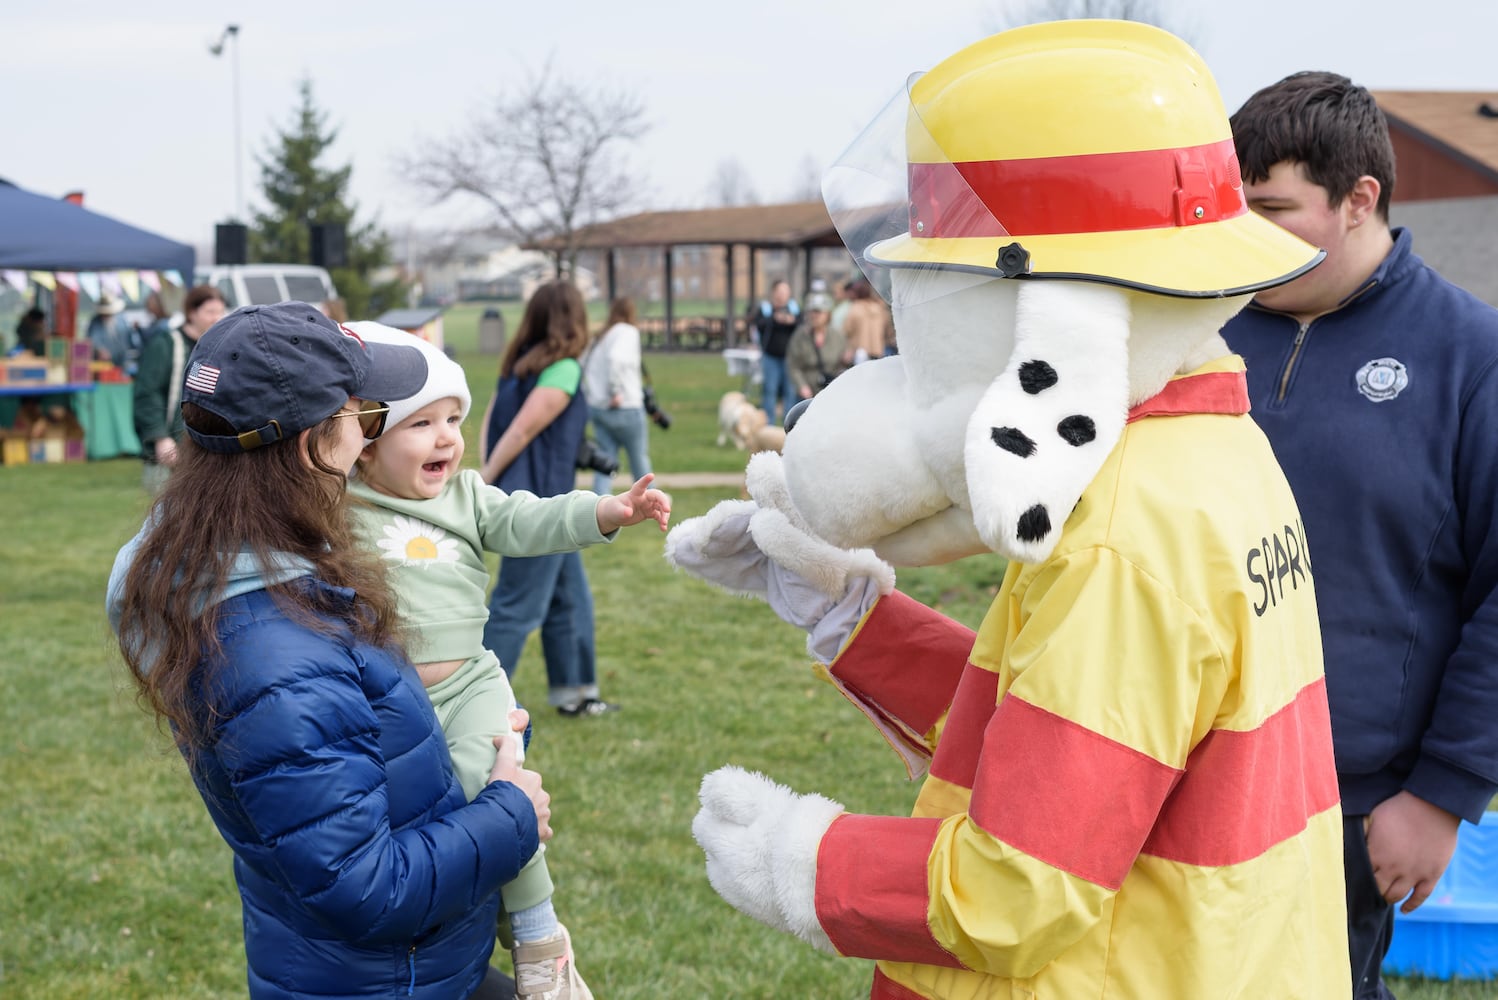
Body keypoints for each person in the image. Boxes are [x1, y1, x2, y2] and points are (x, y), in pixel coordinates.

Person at [106, 301, 544, 999]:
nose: (370, 440)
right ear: (313, 442)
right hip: (385, 979)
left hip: (402, 969)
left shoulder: (254, 571)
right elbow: (363, 886)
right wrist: (509, 811)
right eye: (365, 419)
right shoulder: (276, 652)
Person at [1222, 71, 1498, 1000]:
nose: (1244, 237)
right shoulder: (1198, 336)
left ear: (1359, 200)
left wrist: (1441, 794)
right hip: (1180, 772)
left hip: (1344, 801)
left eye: (1272, 208)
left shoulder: (1471, 355)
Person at [346, 321, 669, 999]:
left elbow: (530, 519)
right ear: (366, 445)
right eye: (421, 423)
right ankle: (476, 918)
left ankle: (536, 932)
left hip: (472, 685)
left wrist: (607, 511)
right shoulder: (341, 507)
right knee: (428, 823)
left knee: (500, 789)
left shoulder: (466, 497)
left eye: (455, 419)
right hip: (389, 697)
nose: (447, 438)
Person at [480, 280, 620, 716]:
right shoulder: (563, 369)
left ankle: (576, 695)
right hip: (539, 508)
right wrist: (485, 477)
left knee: (571, 599)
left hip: (545, 503)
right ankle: (469, 699)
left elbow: (492, 423)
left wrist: (490, 470)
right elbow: (520, 430)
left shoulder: (516, 366)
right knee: (515, 608)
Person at [132, 285, 226, 493]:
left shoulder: (219, 348)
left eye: (220, 312)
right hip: (172, 446)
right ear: (192, 313)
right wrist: (159, 437)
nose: (217, 318)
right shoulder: (166, 344)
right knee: (168, 518)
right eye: (210, 312)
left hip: (207, 453)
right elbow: (147, 393)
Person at [581, 297, 652, 495]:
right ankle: (651, 501)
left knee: (605, 463)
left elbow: (582, 364)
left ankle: (599, 506)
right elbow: (616, 358)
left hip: (598, 408)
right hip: (625, 407)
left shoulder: (600, 337)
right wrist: (616, 391)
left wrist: (591, 394)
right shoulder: (627, 332)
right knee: (639, 461)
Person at [751, 278, 800, 424]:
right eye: (779, 291)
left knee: (790, 392)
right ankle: (768, 424)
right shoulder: (766, 309)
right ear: (773, 293)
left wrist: (792, 321)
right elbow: (758, 325)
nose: (782, 295)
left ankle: (789, 423)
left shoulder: (794, 309)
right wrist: (774, 319)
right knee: (769, 390)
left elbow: (803, 324)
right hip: (770, 357)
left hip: (790, 358)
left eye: (785, 292)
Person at [785, 287, 845, 400]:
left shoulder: (837, 336)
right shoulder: (800, 336)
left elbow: (841, 363)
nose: (814, 316)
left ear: (827, 314)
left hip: (830, 391)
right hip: (806, 394)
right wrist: (802, 386)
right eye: (811, 312)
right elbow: (793, 366)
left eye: (818, 312)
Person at [841, 278, 893, 365]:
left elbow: (846, 331)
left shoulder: (855, 308)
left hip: (860, 352)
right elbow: (888, 332)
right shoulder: (880, 308)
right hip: (879, 351)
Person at [86, 291, 137, 371]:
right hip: (102, 365)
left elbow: (130, 341)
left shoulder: (123, 321)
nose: (106, 316)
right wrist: (99, 350)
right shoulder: (95, 322)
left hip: (122, 362)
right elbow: (92, 339)